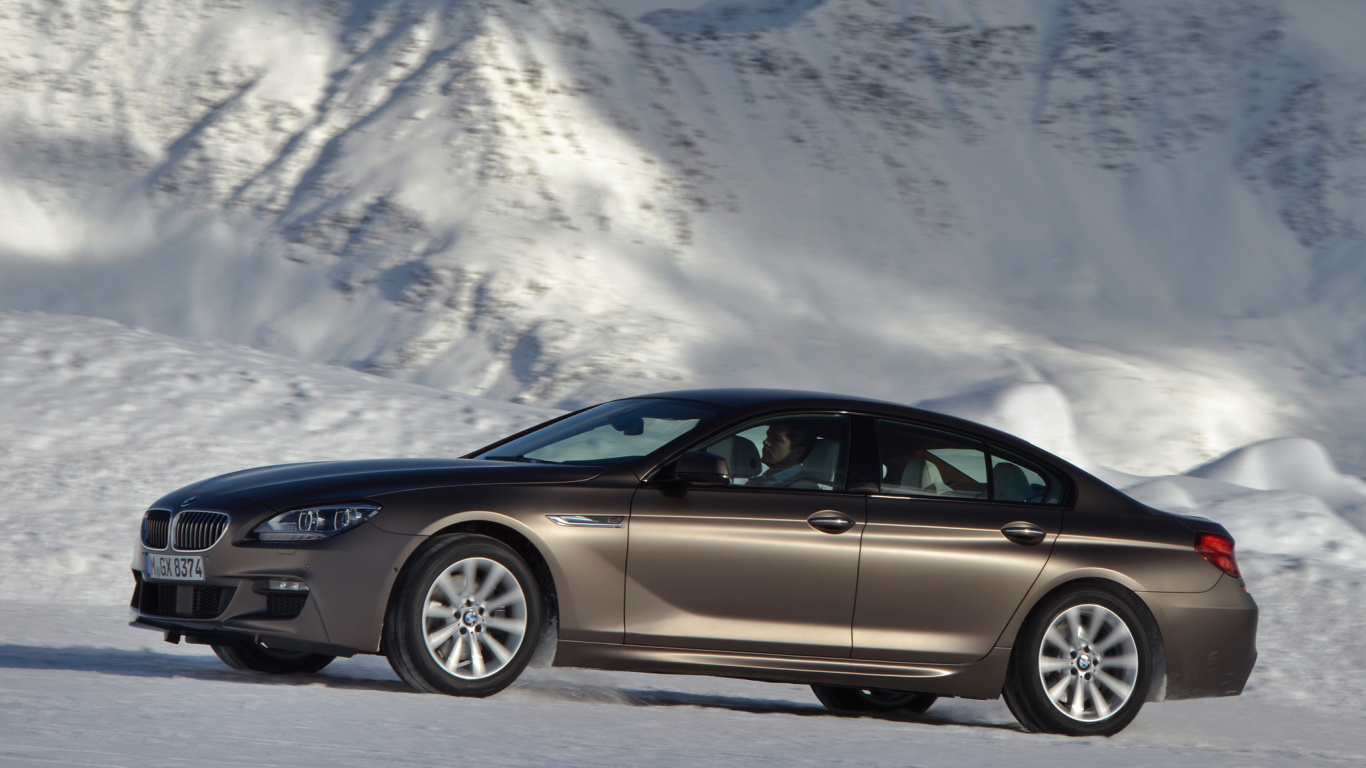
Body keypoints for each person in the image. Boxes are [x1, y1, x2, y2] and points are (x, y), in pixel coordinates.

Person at [748, 420, 819, 487]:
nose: (765, 442)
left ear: (797, 452)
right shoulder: (755, 482)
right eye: (768, 436)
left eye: (776, 439)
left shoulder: (804, 488)